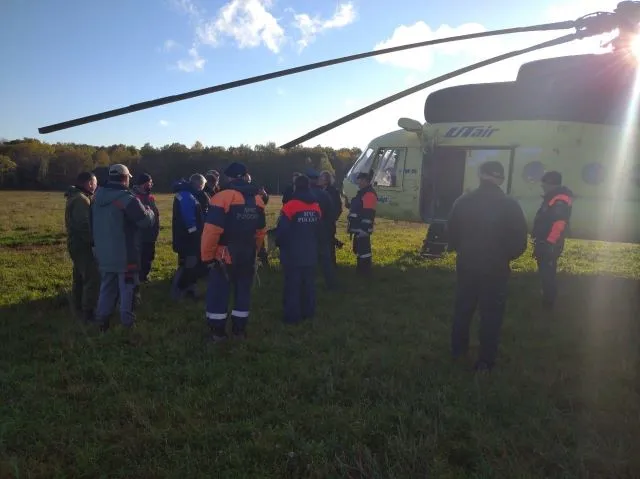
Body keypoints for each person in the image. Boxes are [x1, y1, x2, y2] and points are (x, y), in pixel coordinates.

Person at [446, 160, 528, 371]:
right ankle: (485, 360)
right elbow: (520, 241)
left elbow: (451, 233)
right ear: (500, 178)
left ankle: (457, 351)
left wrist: (460, 249)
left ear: (481, 175)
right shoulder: (510, 204)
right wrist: (505, 256)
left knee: (463, 308)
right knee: (491, 313)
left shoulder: (462, 202)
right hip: (496, 267)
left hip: (467, 264)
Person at [201, 162, 267, 342]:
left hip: (223, 257)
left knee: (218, 294)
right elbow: (261, 232)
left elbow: (212, 230)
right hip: (247, 255)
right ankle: (239, 331)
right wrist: (256, 251)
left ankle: (217, 333)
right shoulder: (258, 200)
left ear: (229, 177)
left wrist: (207, 257)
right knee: (243, 294)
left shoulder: (221, 197)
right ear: (245, 176)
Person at [91, 164, 156, 331]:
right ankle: (128, 323)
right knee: (128, 289)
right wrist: (149, 211)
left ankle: (102, 320)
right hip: (126, 255)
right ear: (125, 178)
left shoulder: (96, 197)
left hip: (104, 253)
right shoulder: (128, 199)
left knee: (107, 287)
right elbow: (145, 222)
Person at [274, 174, 322, 324]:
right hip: (310, 251)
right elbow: (318, 229)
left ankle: (292, 316)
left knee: (292, 285)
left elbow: (283, 231)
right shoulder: (316, 206)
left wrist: (279, 244)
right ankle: (308, 312)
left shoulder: (290, 206)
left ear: (296, 187)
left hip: (293, 252)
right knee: (308, 284)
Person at [531, 171, 573, 310]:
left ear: (550, 183)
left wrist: (549, 243)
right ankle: (547, 297)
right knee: (546, 271)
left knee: (548, 272)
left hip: (550, 243)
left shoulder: (559, 199)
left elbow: (559, 223)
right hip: (546, 242)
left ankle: (548, 303)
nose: (542, 186)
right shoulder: (554, 197)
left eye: (544, 183)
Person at [64, 171, 100, 322]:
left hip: (76, 244)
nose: (96, 186)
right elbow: (83, 226)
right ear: (89, 183)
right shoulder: (81, 200)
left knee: (79, 276)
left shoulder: (76, 197)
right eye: (95, 183)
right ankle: (88, 312)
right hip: (83, 245)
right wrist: (94, 242)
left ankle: (77, 305)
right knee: (93, 277)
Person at [170, 174, 207, 300]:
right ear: (198, 184)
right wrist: (196, 234)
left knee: (190, 265)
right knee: (188, 265)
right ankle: (177, 293)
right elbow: (189, 219)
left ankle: (190, 289)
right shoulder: (187, 196)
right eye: (202, 185)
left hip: (184, 237)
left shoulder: (186, 194)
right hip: (188, 239)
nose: (202, 188)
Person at [307, 168, 337, 289]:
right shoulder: (325, 194)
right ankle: (331, 284)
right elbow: (331, 212)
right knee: (325, 258)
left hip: (308, 231)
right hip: (323, 229)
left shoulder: (304, 194)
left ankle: (308, 284)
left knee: (308, 258)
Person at [347, 170, 378, 276]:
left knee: (364, 251)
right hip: (359, 227)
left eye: (359, 180)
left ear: (365, 181)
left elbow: (368, 213)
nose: (358, 183)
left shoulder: (368, 194)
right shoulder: (364, 192)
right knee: (360, 250)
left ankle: (364, 272)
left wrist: (364, 229)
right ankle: (361, 270)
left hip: (362, 228)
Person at [133, 173, 160, 283]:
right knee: (141, 257)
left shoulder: (150, 197)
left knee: (149, 256)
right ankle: (139, 277)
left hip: (151, 234)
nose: (151, 185)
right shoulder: (135, 198)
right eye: (149, 183)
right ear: (143, 184)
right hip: (140, 235)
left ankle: (144, 276)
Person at [320, 170, 343, 265]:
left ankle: (332, 264)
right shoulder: (321, 190)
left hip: (328, 221)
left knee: (329, 243)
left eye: (322, 178)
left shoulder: (333, 191)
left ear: (327, 180)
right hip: (321, 221)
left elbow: (338, 207)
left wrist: (333, 218)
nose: (320, 180)